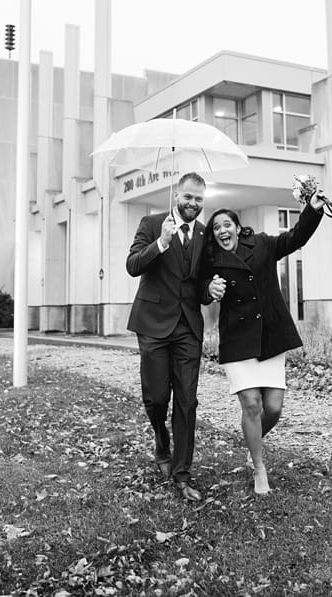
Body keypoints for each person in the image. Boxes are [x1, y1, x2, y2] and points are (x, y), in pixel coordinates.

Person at [201, 192, 325, 494]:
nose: (222, 230)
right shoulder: (211, 259)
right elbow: (197, 287)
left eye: (227, 224)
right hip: (237, 339)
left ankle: (252, 439)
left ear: (237, 227)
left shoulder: (262, 244)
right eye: (216, 227)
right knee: (252, 405)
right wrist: (208, 289)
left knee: (273, 408)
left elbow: (295, 238)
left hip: (269, 334)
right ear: (213, 235)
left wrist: (312, 210)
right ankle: (259, 467)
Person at [126, 172, 209, 502]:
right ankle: (161, 440)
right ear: (177, 195)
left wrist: (211, 290)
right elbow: (133, 265)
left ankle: (182, 473)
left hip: (188, 328)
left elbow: (201, 283)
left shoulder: (204, 234)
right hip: (153, 325)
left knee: (187, 401)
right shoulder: (152, 223)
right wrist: (161, 242)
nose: (193, 203)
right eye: (188, 197)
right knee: (157, 398)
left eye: (199, 199)